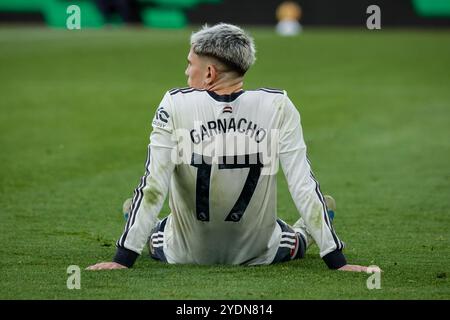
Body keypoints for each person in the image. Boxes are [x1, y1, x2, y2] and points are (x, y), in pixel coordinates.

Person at [87, 23, 377, 273]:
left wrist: (123, 258)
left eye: (190, 64)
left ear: (210, 73)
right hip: (258, 254)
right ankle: (307, 229)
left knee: (159, 233)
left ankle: (148, 227)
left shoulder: (174, 103)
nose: (186, 71)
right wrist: (337, 260)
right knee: (294, 239)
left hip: (184, 254)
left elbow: (153, 184)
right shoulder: (278, 104)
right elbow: (302, 182)